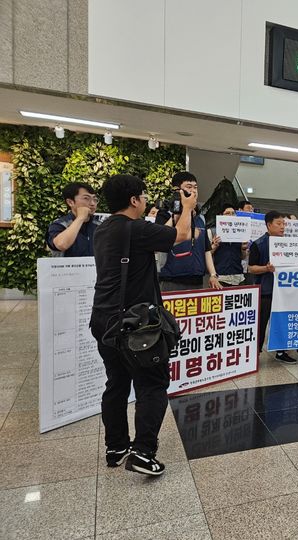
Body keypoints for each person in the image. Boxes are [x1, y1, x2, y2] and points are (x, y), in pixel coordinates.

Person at [90, 174, 195, 476]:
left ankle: (116, 446)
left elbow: (153, 237)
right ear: (134, 200)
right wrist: (187, 208)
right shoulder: (135, 230)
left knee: (117, 383)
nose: (146, 200)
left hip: (104, 320)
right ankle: (143, 452)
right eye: (144, 196)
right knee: (153, 384)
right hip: (135, 326)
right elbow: (180, 236)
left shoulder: (104, 229)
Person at [158, 172, 222, 292]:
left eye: (195, 187)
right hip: (172, 280)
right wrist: (179, 214)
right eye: (189, 187)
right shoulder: (165, 214)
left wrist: (213, 275)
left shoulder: (200, 218)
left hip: (197, 280)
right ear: (177, 190)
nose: (193, 191)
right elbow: (159, 238)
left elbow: (206, 249)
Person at [249, 210, 298, 364]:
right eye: (279, 224)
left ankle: (281, 351)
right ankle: (255, 354)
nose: (282, 227)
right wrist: (266, 268)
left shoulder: (289, 244)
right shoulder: (258, 244)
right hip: (265, 291)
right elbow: (251, 268)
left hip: (284, 291)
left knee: (282, 323)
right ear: (269, 225)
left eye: (284, 224)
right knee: (261, 324)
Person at [46, 182, 100, 257]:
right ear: (70, 202)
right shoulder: (60, 224)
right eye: (86, 198)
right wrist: (80, 218)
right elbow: (61, 245)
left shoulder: (100, 224)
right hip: (67, 268)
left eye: (95, 199)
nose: (92, 203)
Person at [209, 203, 246, 288]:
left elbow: (243, 257)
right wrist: (214, 245)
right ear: (220, 215)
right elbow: (207, 254)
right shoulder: (212, 232)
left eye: (233, 213)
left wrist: (243, 249)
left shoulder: (240, 233)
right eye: (227, 213)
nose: (231, 216)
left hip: (239, 278)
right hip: (220, 278)